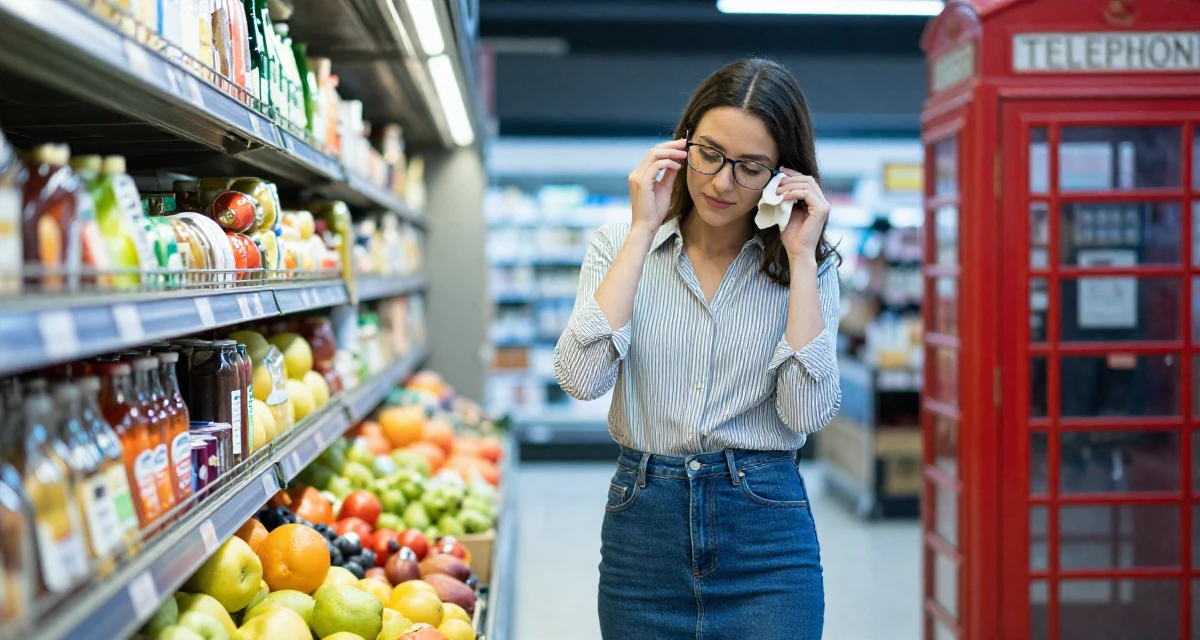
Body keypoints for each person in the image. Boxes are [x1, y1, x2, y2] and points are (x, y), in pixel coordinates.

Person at [553, 58, 841, 640]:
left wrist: (803, 259)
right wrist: (642, 230)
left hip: (766, 535)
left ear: (784, 174)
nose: (721, 183)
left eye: (750, 167)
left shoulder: (809, 264)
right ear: (680, 143)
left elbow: (806, 414)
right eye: (708, 154)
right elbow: (581, 377)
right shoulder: (618, 242)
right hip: (644, 530)